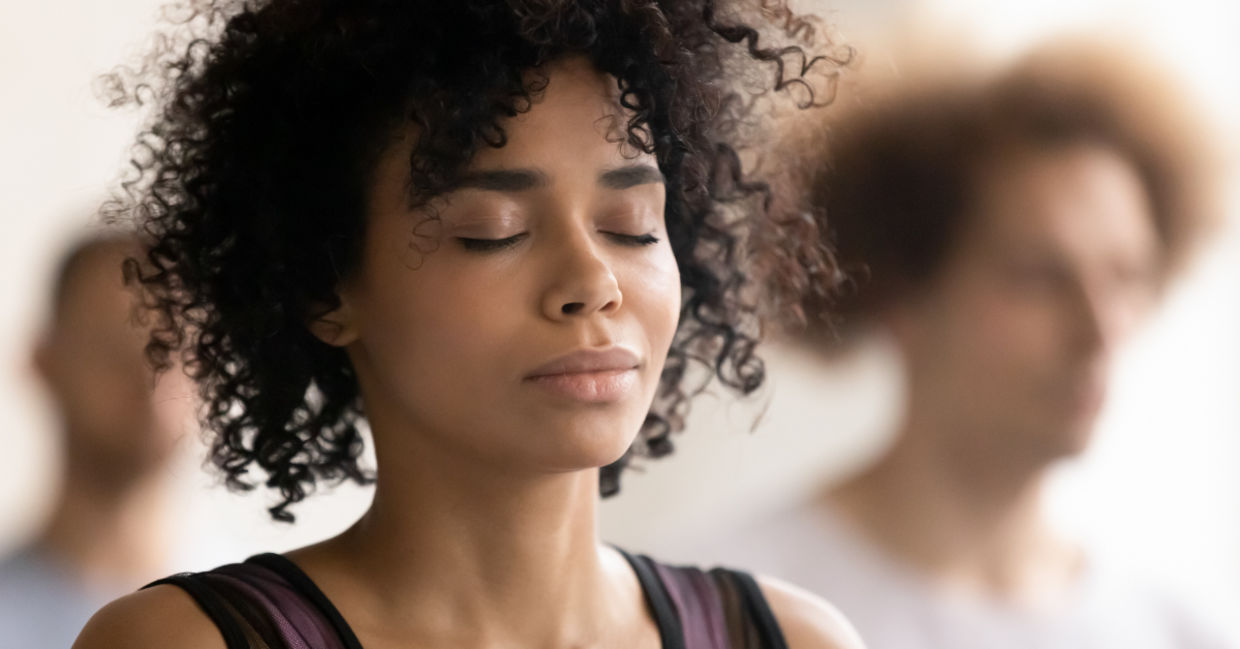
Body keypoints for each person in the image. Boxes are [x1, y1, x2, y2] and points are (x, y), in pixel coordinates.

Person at [72, 1, 863, 648]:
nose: (592, 283)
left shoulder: (793, 639)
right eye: (494, 231)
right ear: (326, 287)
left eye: (631, 224)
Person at [697, 41, 1232, 648]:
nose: (1101, 329)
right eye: (1040, 276)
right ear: (901, 295)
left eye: (1126, 275)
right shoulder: (732, 610)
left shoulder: (1176, 630)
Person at [0, 232, 194, 649]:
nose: (146, 380)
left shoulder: (261, 617)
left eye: (168, 352)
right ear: (44, 363)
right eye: (112, 348)